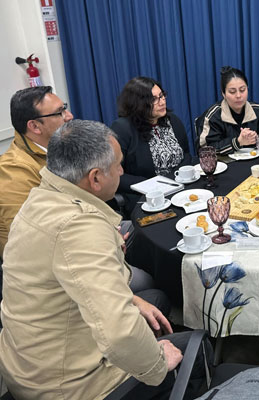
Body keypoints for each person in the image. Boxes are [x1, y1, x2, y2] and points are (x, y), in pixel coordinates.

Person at [0, 120, 210, 399]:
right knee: (197, 348)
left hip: (29, 362)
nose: (122, 171)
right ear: (96, 178)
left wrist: (133, 300)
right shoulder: (79, 227)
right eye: (118, 165)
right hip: (68, 385)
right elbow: (120, 331)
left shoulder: (40, 199)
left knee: (155, 301)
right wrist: (158, 363)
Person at [0, 86, 73, 254]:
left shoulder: (59, 146)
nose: (69, 116)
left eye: (65, 108)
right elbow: (30, 237)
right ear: (34, 126)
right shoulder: (13, 171)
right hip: (46, 256)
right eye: (60, 112)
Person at [111, 76, 196, 216]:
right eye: (154, 99)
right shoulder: (122, 129)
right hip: (146, 199)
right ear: (138, 103)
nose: (162, 102)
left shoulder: (172, 120)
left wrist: (175, 178)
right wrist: (152, 185)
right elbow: (114, 174)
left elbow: (186, 155)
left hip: (180, 190)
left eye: (162, 96)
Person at [198, 66, 259, 154]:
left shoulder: (258, 110)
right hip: (225, 162)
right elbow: (206, 150)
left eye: (242, 90)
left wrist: (258, 139)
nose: (238, 96)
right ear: (223, 94)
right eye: (232, 92)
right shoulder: (214, 116)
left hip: (255, 161)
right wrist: (237, 142)